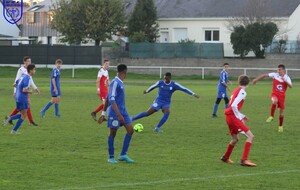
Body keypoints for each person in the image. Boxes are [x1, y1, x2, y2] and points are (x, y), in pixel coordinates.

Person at [131, 72, 199, 133]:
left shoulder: (174, 84)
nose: (165, 80)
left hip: (166, 102)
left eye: (166, 79)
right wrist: (147, 91)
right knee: (147, 113)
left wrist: (193, 94)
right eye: (164, 78)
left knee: (167, 112)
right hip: (158, 101)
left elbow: (184, 89)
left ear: (169, 78)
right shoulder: (160, 82)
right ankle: (132, 118)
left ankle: (157, 128)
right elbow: (153, 86)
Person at [220, 75, 256, 167]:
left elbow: (231, 103)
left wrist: (241, 115)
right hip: (233, 117)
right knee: (250, 136)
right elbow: (234, 106)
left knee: (235, 139)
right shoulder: (243, 92)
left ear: (239, 82)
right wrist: (239, 116)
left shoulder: (236, 90)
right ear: (248, 84)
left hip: (228, 117)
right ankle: (244, 160)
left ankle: (225, 157)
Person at [106, 64, 134, 163]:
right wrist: (118, 115)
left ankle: (123, 155)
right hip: (115, 113)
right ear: (125, 72)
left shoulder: (120, 82)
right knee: (113, 133)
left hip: (123, 111)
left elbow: (106, 98)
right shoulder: (115, 83)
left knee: (130, 130)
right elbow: (111, 99)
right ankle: (111, 157)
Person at [253, 64, 292, 132]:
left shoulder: (287, 77)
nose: (278, 71)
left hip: (282, 96)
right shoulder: (275, 75)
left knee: (281, 113)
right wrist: (256, 79)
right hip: (275, 94)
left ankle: (280, 126)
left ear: (283, 70)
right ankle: (271, 116)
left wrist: (285, 80)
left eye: (279, 70)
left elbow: (290, 86)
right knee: (274, 101)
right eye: (277, 69)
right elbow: (264, 75)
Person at [5, 56, 40, 126]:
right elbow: (16, 82)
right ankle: (31, 122)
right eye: (28, 61)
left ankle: (9, 118)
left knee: (21, 108)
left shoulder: (29, 70)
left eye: (30, 61)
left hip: (24, 92)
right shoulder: (21, 70)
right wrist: (15, 92)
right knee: (26, 107)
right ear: (24, 62)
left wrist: (35, 88)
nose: (29, 62)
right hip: (21, 92)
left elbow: (31, 81)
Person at [3, 64, 37, 134]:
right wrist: (30, 91)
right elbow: (24, 90)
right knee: (24, 115)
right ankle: (12, 126)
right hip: (22, 98)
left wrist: (18, 90)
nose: (35, 71)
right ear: (30, 70)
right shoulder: (27, 78)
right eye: (34, 69)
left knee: (23, 114)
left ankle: (10, 121)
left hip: (18, 97)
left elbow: (14, 84)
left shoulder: (23, 76)